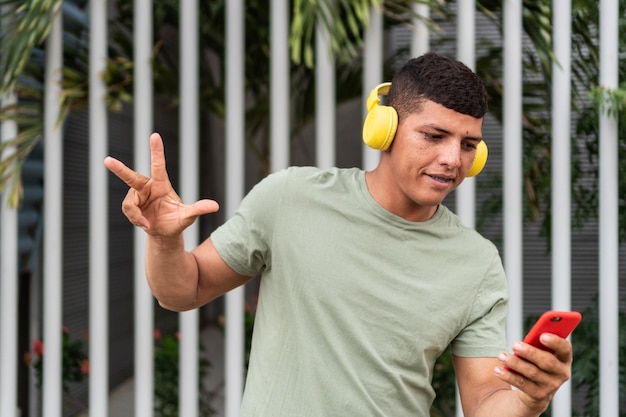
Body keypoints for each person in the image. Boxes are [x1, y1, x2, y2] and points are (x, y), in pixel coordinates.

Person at [104, 52, 573, 416]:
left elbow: (485, 404)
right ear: (383, 128)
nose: (454, 159)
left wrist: (529, 400)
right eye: (434, 136)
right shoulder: (290, 197)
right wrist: (166, 240)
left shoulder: (477, 263)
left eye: (468, 144)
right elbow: (183, 291)